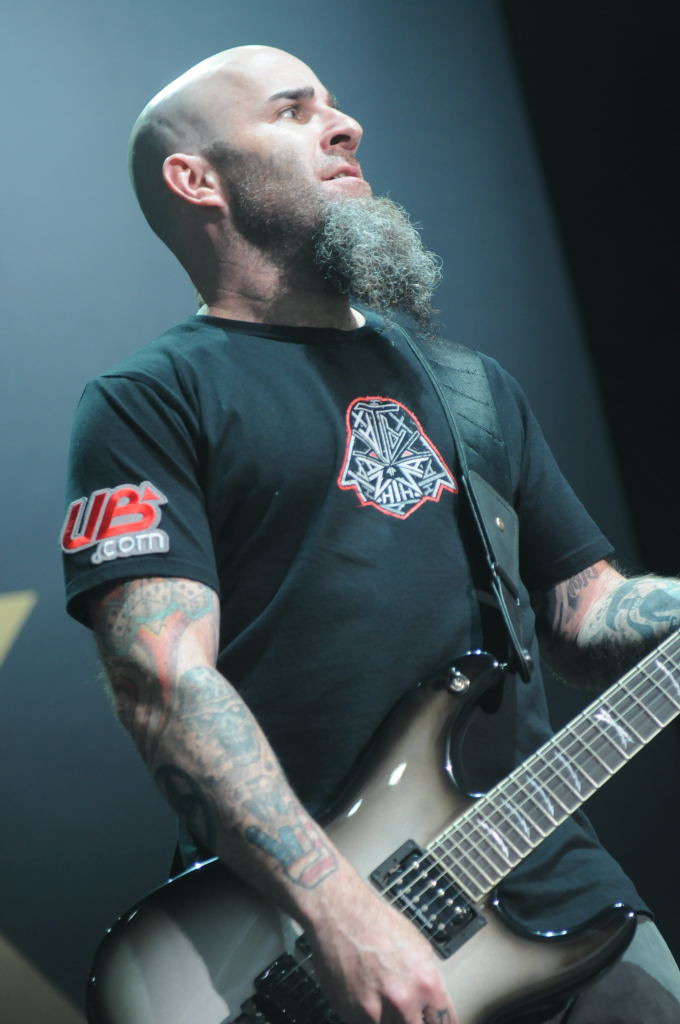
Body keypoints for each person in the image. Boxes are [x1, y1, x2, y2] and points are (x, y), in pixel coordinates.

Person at [61, 45, 680, 1023]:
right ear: (196, 179)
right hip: (312, 943)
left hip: (565, 898)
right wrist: (340, 911)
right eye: (293, 111)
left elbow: (584, 614)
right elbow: (161, 680)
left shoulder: (467, 386)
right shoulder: (152, 401)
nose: (345, 127)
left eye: (337, 106)